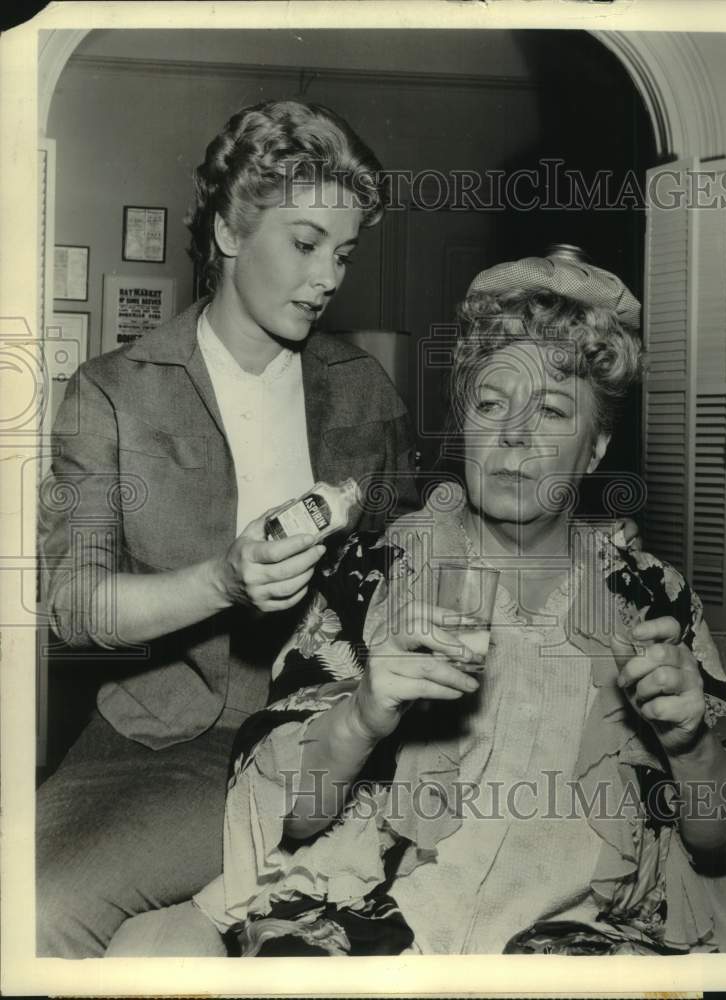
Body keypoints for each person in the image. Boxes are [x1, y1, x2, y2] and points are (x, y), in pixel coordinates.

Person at [105, 251, 726, 957]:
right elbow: (280, 818)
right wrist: (364, 712)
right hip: (366, 928)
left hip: (577, 946)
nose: (513, 435)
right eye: (490, 405)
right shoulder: (370, 573)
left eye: (553, 411)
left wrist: (691, 744)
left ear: (594, 448)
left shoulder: (656, 599)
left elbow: (721, 841)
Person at [36, 99, 419, 957]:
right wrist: (222, 581)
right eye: (305, 241)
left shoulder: (367, 394)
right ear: (227, 231)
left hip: (319, 735)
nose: (329, 276)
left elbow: (411, 573)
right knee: (29, 908)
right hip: (151, 734)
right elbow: (70, 602)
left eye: (345, 252)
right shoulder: (114, 391)